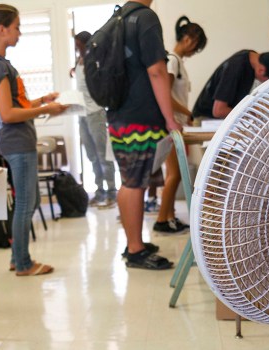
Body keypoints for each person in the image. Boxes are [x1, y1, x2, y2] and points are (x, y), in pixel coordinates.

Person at [0, 4, 68, 276]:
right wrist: (46, 109)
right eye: (16, 27)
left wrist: (42, 100)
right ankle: (24, 263)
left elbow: (16, 105)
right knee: (26, 203)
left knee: (30, 201)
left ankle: (17, 258)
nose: (19, 33)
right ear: (2, 29)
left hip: (18, 141)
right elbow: (8, 113)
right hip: (17, 143)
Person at [107, 0, 179, 270]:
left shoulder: (118, 18)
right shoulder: (145, 18)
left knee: (128, 181)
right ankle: (136, 250)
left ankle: (132, 243)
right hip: (141, 118)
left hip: (118, 116)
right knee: (135, 183)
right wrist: (170, 118)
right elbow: (157, 71)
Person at [153, 16, 207, 235]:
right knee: (174, 174)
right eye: (196, 46)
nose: (195, 51)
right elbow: (165, 94)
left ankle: (170, 216)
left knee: (174, 174)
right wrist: (187, 112)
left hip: (177, 125)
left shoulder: (177, 62)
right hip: (170, 125)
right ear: (188, 39)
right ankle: (162, 220)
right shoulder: (172, 60)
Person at [71, 31, 117, 208]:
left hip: (96, 113)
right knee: (92, 156)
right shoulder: (79, 61)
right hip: (82, 114)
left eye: (79, 45)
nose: (77, 49)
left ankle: (112, 193)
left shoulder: (95, 61)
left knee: (103, 155)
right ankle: (100, 192)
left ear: (87, 44)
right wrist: (73, 69)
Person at [192, 49, 269, 119]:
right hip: (206, 121)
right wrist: (254, 113)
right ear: (261, 70)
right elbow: (219, 111)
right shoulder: (236, 68)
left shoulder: (252, 57)